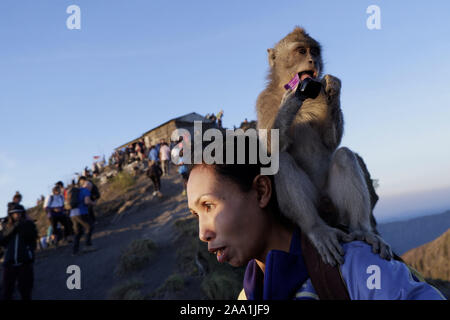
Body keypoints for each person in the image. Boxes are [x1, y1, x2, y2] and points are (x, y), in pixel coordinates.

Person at [186, 134, 445, 300]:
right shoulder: (248, 295)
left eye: (208, 205)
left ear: (262, 191)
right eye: (195, 214)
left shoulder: (353, 266)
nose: (202, 233)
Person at [0, 203, 38, 300]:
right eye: (14, 213)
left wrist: (30, 255)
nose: (17, 215)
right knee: (7, 292)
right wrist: (14, 227)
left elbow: (33, 240)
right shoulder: (5, 226)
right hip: (9, 263)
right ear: (11, 214)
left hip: (24, 262)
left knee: (26, 291)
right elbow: (2, 240)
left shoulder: (28, 224)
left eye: (19, 213)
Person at [70, 176, 96, 255]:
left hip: (72, 214)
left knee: (78, 232)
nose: (91, 190)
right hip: (81, 212)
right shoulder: (86, 191)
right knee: (89, 226)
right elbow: (87, 201)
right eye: (91, 188)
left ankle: (75, 251)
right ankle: (88, 246)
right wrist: (93, 203)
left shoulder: (77, 191)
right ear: (88, 186)